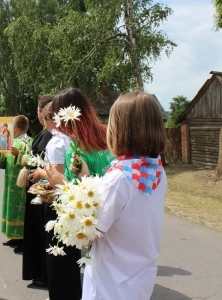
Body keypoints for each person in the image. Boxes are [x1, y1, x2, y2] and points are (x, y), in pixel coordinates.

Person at [81, 91, 167, 300]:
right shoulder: (157, 171)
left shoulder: (118, 179)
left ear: (119, 129)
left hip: (109, 285)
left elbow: (91, 234)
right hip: (140, 279)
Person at [45, 87, 115, 300]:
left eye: (57, 115)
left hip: (98, 225)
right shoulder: (109, 135)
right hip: (120, 216)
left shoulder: (74, 152)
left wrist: (58, 183)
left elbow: (77, 199)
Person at [21, 94, 53, 286]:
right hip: (36, 186)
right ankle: (38, 271)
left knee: (41, 234)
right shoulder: (44, 133)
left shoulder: (51, 136)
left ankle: (43, 273)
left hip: (43, 190)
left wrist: (34, 166)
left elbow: (47, 163)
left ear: (41, 112)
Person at [0, 115, 31, 252]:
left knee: (21, 213)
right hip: (10, 182)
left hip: (20, 186)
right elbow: (3, 163)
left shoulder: (28, 142)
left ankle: (23, 240)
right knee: (11, 211)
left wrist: (19, 154)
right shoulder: (11, 142)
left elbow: (32, 161)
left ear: (15, 128)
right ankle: (14, 237)